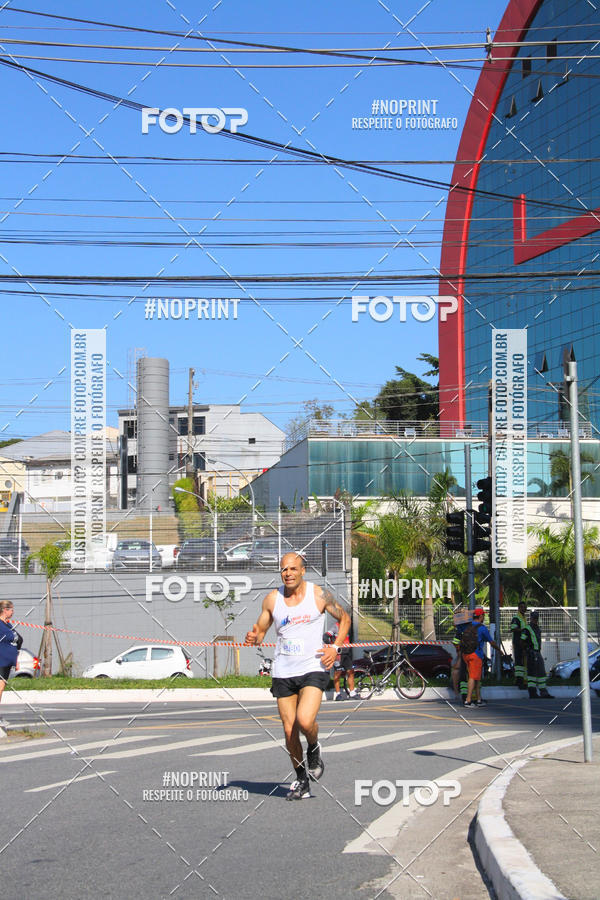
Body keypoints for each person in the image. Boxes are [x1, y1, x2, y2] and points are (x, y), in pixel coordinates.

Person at [245, 552, 350, 800]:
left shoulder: (318, 595)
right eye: (284, 570)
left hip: (313, 667)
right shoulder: (272, 599)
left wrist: (334, 647)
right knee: (289, 729)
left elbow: (344, 618)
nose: (288, 573)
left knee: (304, 721)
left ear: (303, 571)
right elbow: (260, 631)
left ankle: (313, 746)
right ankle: (301, 779)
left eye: (293, 569)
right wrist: (254, 638)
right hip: (283, 670)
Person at [462, 607, 501, 708]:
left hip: (465, 654)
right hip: (475, 655)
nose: (484, 617)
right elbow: (491, 642)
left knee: (476, 677)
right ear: (480, 616)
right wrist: (499, 650)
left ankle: (478, 699)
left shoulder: (466, 625)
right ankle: (468, 700)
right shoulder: (482, 628)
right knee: (472, 677)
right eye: (483, 615)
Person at [521, 610, 554, 699]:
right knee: (532, 674)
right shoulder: (527, 629)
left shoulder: (537, 628)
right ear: (531, 618)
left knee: (541, 673)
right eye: (534, 618)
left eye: (536, 618)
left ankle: (544, 692)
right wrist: (526, 650)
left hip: (537, 653)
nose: (535, 620)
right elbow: (522, 640)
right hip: (531, 652)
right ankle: (532, 693)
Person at [0, 601, 22, 725]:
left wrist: (16, 659)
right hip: (1, 660)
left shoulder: (8, 625)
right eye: (11, 609)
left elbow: (19, 640)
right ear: (4, 610)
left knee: (2, 688)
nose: (13, 612)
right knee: (0, 688)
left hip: (8, 662)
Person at [324, 624, 357, 700]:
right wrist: (332, 647)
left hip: (346, 654)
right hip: (338, 654)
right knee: (337, 673)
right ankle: (338, 694)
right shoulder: (335, 627)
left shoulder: (346, 626)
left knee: (350, 672)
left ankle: (352, 693)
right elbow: (325, 636)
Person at [510, 600, 528, 689]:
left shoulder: (523, 617)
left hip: (523, 643)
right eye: (522, 607)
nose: (524, 608)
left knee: (522, 662)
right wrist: (523, 630)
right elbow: (513, 628)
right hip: (518, 643)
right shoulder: (516, 618)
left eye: (525, 607)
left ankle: (521, 680)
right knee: (519, 663)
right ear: (519, 608)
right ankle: (519, 681)